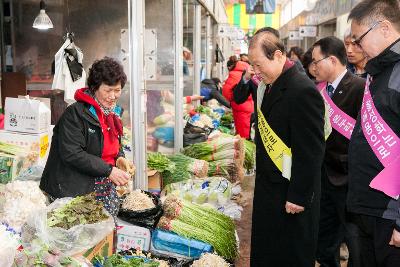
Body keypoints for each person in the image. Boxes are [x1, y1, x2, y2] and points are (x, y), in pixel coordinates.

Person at [249, 30, 325, 266]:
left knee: (289, 254)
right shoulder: (271, 84)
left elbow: (310, 150)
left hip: (290, 196)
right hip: (271, 187)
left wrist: (298, 196)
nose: (255, 71)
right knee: (269, 251)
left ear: (278, 55)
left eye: (259, 64)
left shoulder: (302, 90)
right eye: (253, 65)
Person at [40, 57, 131, 217]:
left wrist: (120, 157)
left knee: (106, 234)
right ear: (95, 88)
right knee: (82, 236)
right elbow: (72, 153)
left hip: (103, 183)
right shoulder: (75, 114)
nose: (113, 96)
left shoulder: (112, 113)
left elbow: (114, 141)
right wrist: (109, 170)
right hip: (74, 188)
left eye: (117, 90)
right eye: (108, 90)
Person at [347, 0, 400, 266]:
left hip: (391, 214)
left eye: (359, 39)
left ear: (385, 28)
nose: (356, 47)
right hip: (367, 207)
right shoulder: (377, 72)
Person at [311, 36, 365, 267]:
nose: (313, 67)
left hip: (348, 180)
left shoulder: (360, 87)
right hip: (323, 179)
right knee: (324, 243)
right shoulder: (318, 90)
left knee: (355, 244)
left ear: (332, 60)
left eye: (316, 61)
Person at [222, 56, 254, 139]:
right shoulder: (247, 70)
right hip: (249, 105)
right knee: (247, 129)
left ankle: (245, 149)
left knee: (242, 135)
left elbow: (226, 93)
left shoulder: (233, 74)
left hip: (240, 107)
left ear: (229, 67)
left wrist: (230, 99)